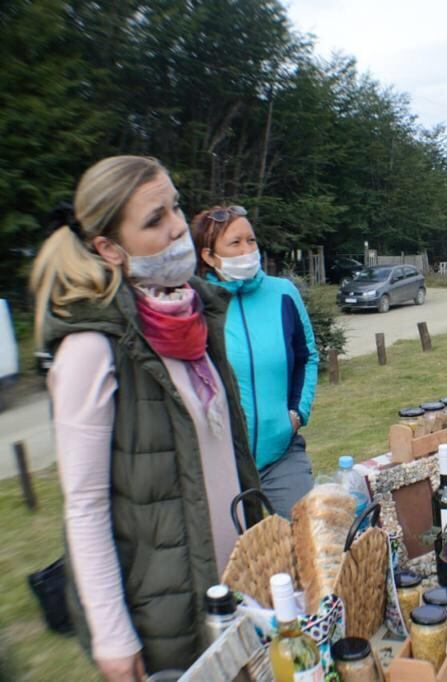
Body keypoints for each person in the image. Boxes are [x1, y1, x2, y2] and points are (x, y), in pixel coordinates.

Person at [30, 156, 263, 679]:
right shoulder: (91, 349)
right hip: (167, 610)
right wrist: (112, 637)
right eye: (154, 219)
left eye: (175, 206)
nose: (178, 225)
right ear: (109, 248)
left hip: (236, 585)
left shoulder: (195, 318)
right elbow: (85, 508)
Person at [192, 205, 319, 519]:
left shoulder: (283, 293)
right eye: (235, 243)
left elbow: (307, 357)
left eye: (251, 241)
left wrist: (296, 413)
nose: (248, 250)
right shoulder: (196, 304)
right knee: (245, 561)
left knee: (313, 543)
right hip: (223, 468)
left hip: (281, 455)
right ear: (209, 256)